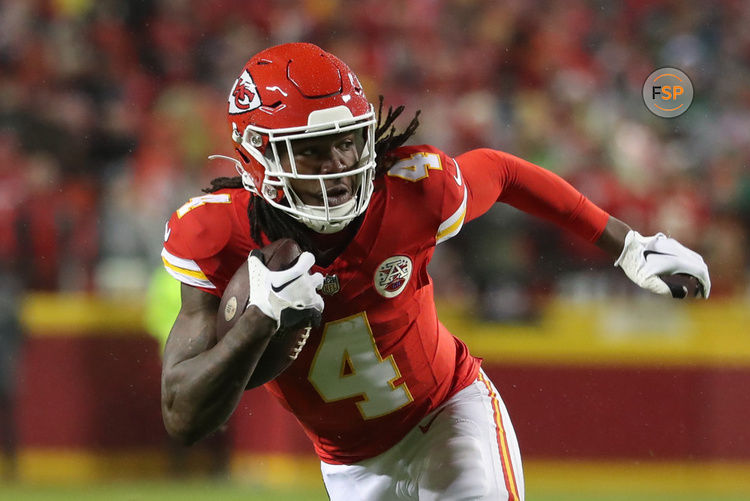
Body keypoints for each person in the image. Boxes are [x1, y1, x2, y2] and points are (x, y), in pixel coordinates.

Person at [160, 43, 710, 500]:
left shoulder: (412, 191)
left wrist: (629, 246)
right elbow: (184, 417)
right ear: (258, 155)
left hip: (447, 413)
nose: (340, 166)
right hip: (350, 467)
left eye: (348, 140)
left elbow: (501, 171)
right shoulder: (215, 233)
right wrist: (260, 322)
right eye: (312, 151)